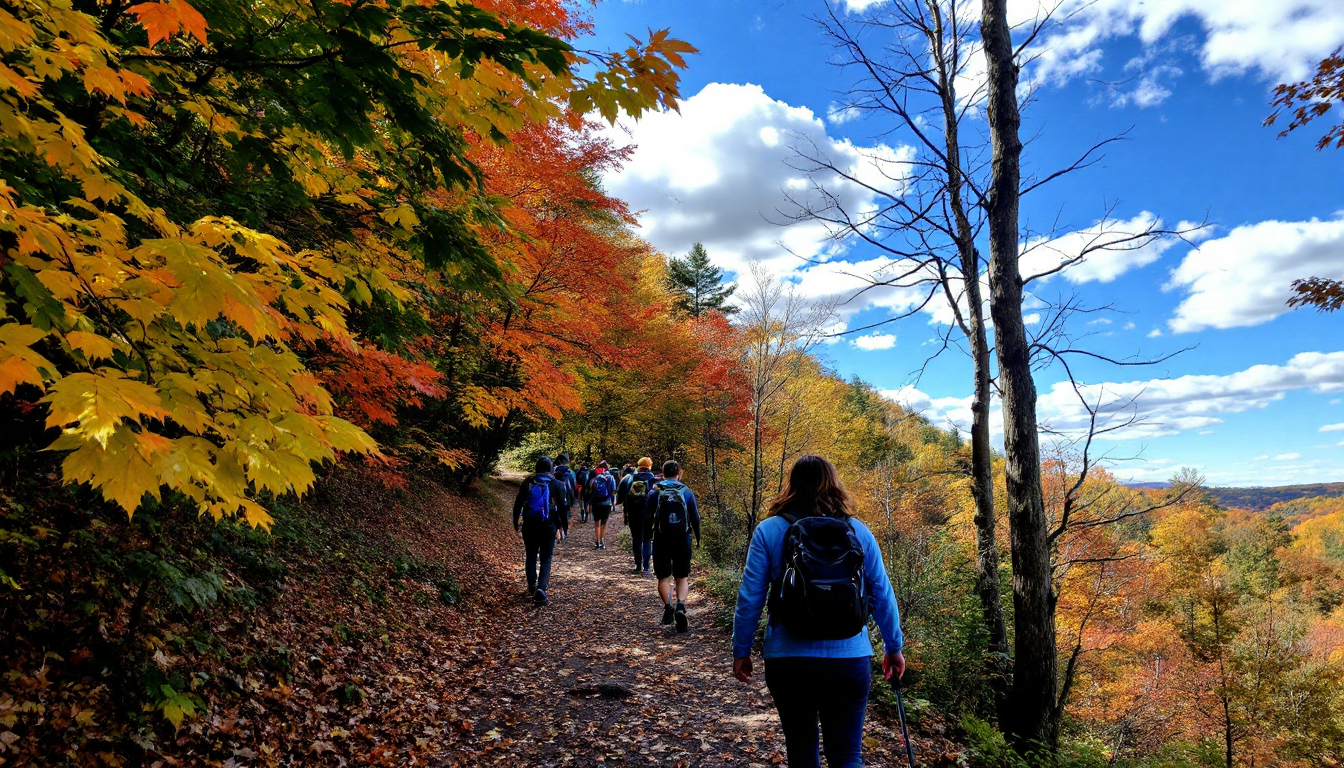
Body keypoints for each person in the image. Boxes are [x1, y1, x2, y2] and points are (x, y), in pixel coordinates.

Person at [729, 454, 904, 768]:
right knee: (848, 755)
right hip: (850, 658)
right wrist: (894, 647)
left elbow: (750, 598)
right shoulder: (858, 531)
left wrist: (741, 650)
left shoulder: (769, 530)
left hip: (788, 658)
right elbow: (882, 594)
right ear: (834, 484)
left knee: (802, 751)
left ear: (792, 485)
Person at [647, 460, 700, 632]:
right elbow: (695, 517)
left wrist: (647, 537)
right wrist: (697, 537)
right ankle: (681, 606)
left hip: (661, 539)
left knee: (663, 577)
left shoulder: (655, 491)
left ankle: (669, 605)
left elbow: (647, 516)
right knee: (682, 576)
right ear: (679, 473)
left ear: (662, 473)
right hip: (683, 539)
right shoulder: (686, 491)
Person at [511, 457, 570, 606]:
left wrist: (515, 522)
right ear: (551, 469)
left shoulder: (528, 482)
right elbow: (563, 508)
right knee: (546, 557)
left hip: (529, 524)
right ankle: (541, 590)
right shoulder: (556, 484)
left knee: (531, 555)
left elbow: (518, 503)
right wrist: (564, 525)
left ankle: (532, 585)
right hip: (549, 525)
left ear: (536, 468)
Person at [618, 458, 658, 576]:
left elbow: (620, 497)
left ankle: (637, 565)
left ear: (638, 466)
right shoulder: (654, 480)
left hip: (633, 513)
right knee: (647, 539)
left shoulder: (629, 478)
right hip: (649, 514)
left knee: (636, 538)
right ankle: (646, 567)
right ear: (650, 466)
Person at [586, 460, 618, 549]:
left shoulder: (595, 478)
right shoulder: (610, 477)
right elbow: (614, 490)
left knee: (597, 523)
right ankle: (602, 541)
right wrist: (614, 500)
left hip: (595, 502)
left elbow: (589, 491)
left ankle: (597, 542)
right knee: (604, 522)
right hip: (606, 503)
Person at [552, 454, 578, 541]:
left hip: (554, 495)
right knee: (565, 516)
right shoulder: (570, 472)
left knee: (555, 513)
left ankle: (557, 533)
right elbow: (573, 487)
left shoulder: (553, 471)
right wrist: (572, 500)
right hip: (566, 496)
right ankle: (564, 532)